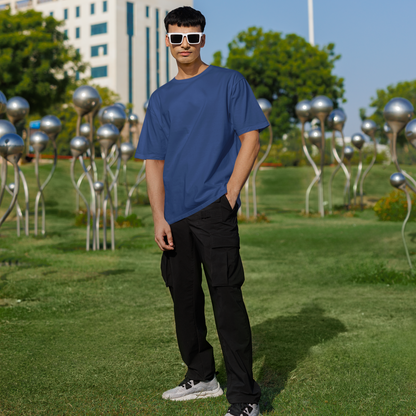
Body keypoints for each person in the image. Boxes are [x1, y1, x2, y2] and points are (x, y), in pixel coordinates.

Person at [135, 6, 269, 416]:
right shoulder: (160, 99)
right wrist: (159, 216)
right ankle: (201, 376)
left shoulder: (229, 82)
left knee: (227, 300)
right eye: (177, 38)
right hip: (174, 216)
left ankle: (244, 399)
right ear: (168, 41)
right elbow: (153, 162)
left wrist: (230, 193)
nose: (185, 45)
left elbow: (251, 139)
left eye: (192, 37)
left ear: (203, 39)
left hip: (214, 209)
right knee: (184, 300)